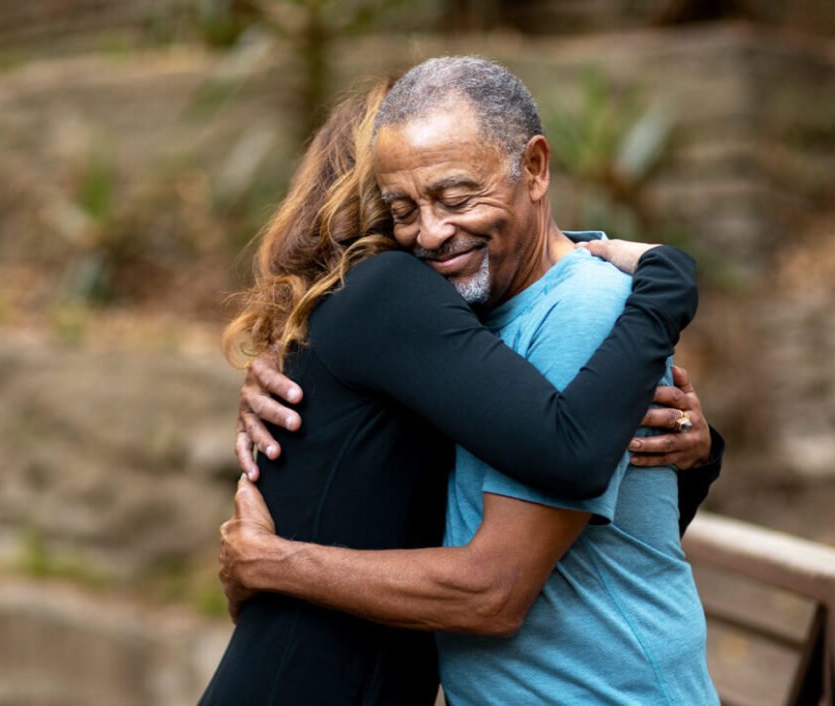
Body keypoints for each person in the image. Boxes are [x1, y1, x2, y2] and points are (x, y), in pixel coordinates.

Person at [207, 59, 720, 706]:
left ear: (531, 168)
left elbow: (504, 577)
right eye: (403, 206)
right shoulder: (456, 319)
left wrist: (270, 562)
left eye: (455, 195)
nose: (430, 230)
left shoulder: (577, 306)